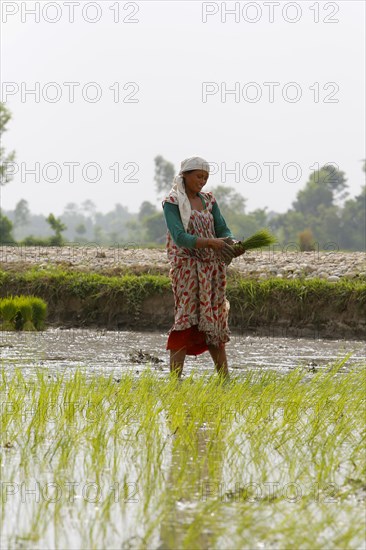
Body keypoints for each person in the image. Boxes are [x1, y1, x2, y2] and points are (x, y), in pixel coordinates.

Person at [161, 155, 238, 379]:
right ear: (185, 175)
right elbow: (180, 237)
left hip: (212, 270)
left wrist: (230, 243)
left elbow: (222, 229)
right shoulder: (173, 203)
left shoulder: (209, 201)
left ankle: (225, 380)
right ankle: (175, 382)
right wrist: (211, 243)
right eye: (198, 176)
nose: (202, 181)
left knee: (214, 320)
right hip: (186, 269)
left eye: (205, 177)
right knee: (185, 320)